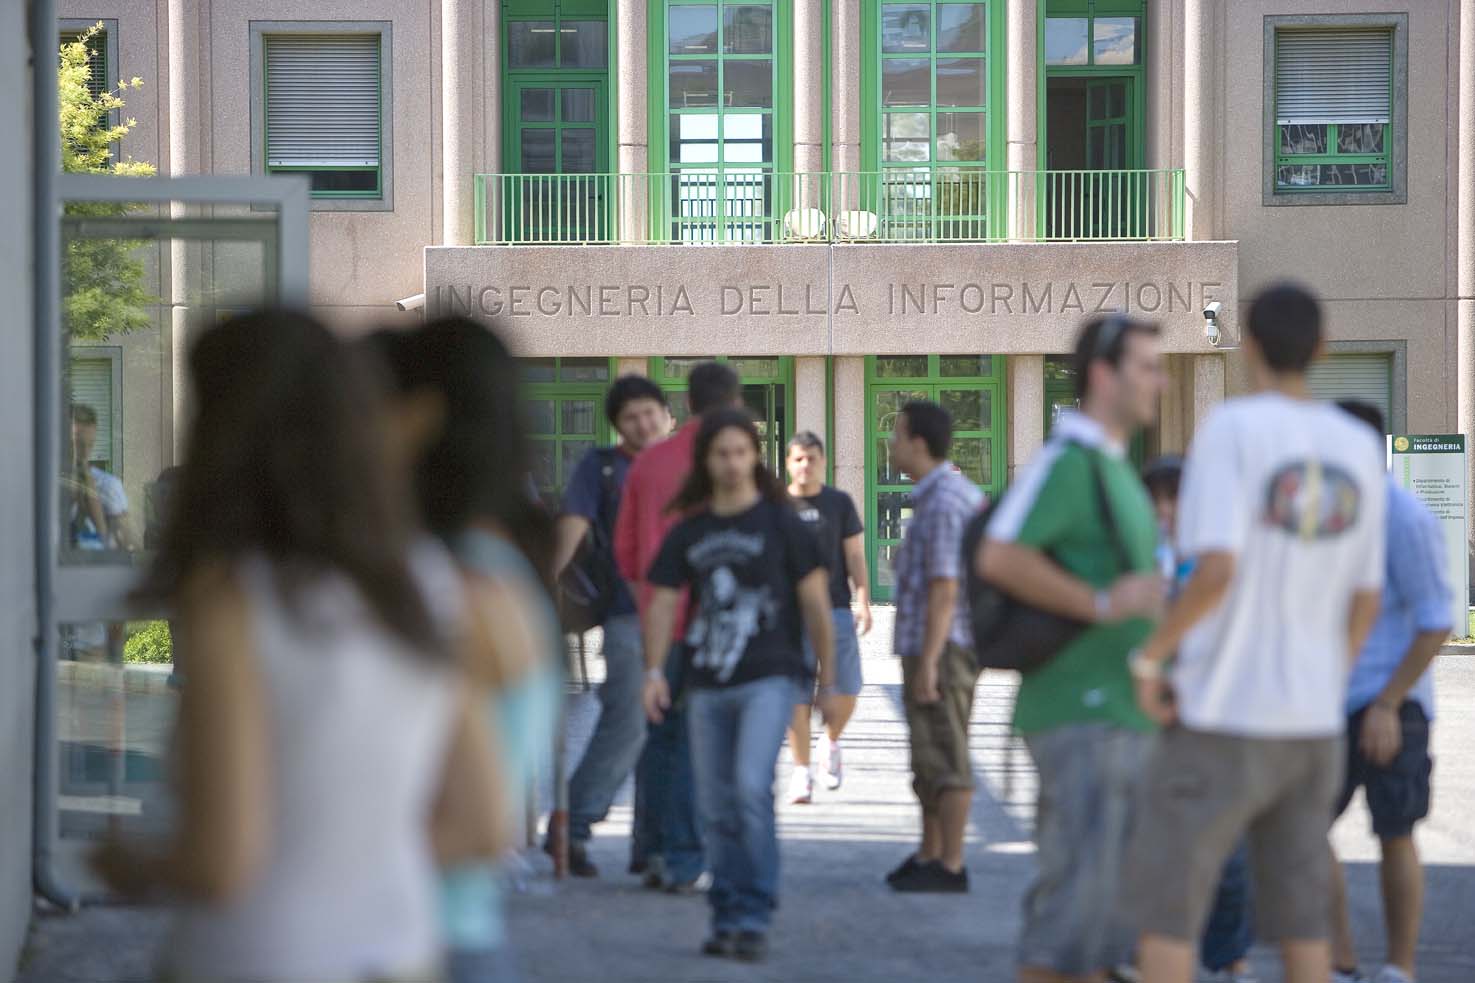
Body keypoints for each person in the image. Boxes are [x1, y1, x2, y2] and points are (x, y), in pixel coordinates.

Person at [93, 310, 508, 983]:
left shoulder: (229, 595)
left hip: (252, 958)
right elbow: (484, 823)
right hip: (402, 952)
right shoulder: (423, 579)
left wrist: (129, 863)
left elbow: (220, 862)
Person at [1126, 282, 1387, 983]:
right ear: (1322, 348)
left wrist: (1150, 655)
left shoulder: (1230, 431)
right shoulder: (1359, 446)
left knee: (1170, 910)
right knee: (1301, 924)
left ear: (1247, 346)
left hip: (1222, 712)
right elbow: (1366, 593)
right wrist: (1332, 675)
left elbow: (1214, 571)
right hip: (1311, 721)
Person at [366, 320, 565, 983]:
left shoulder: (461, 587)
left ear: (420, 417)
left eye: (369, 404)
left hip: (425, 945)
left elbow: (479, 826)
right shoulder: (486, 565)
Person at [977, 315, 1166, 983]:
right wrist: (1101, 603)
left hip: (1117, 713)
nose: (1159, 380)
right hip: (1077, 713)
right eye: (1145, 366)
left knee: (1102, 930)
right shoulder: (1068, 463)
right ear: (1101, 375)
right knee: (1069, 920)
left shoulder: (1112, 466)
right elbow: (998, 553)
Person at [642, 408, 840, 962]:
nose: (731, 463)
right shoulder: (692, 530)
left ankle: (753, 913)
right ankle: (726, 911)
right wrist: (654, 669)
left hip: (770, 677)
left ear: (755, 457)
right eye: (720, 453)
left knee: (750, 788)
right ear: (705, 461)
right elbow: (661, 600)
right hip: (707, 681)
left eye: (740, 452)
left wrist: (828, 679)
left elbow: (816, 604)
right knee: (714, 802)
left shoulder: (782, 525)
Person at [1328, 401, 1452, 983]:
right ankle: (1341, 962)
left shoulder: (1404, 518)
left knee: (1395, 831)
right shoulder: (1327, 516)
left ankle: (1398, 970)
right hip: (1329, 705)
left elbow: (1436, 622)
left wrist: (1387, 703)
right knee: (1302, 829)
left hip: (1393, 706)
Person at [614, 360, 743, 892]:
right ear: (732, 405)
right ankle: (686, 858)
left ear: (685, 404)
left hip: (657, 619)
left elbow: (625, 553)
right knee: (700, 743)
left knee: (659, 738)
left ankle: (650, 849)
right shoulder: (734, 464)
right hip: (714, 624)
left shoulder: (649, 464)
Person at [554, 376, 673, 877]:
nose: (642, 424)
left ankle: (653, 845)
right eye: (630, 417)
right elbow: (574, 524)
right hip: (628, 611)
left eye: (649, 412)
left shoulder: (683, 466)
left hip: (684, 615)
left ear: (666, 414)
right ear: (617, 426)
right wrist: (544, 583)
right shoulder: (599, 468)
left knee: (665, 730)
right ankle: (573, 825)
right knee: (627, 721)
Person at [1143, 455, 1256, 983]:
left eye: (1175, 498)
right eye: (1156, 500)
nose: (1166, 511)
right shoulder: (1136, 561)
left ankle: (1230, 955)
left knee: (1228, 852)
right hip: (1149, 722)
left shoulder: (1219, 562)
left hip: (1217, 719)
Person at [885, 399, 984, 894]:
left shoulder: (945, 500)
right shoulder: (935, 495)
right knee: (927, 755)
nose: (891, 444)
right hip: (930, 645)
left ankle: (951, 863)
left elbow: (946, 587)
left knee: (946, 752)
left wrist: (927, 661)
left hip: (941, 649)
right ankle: (929, 854)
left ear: (918, 443)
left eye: (897, 434)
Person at [783, 431, 871, 803]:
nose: (805, 465)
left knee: (847, 689)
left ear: (822, 461)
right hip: (789, 616)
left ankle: (830, 744)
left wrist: (864, 597)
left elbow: (854, 554)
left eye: (812, 458)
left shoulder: (839, 503)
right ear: (788, 463)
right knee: (796, 696)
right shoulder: (775, 506)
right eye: (799, 458)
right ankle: (801, 772)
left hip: (835, 608)